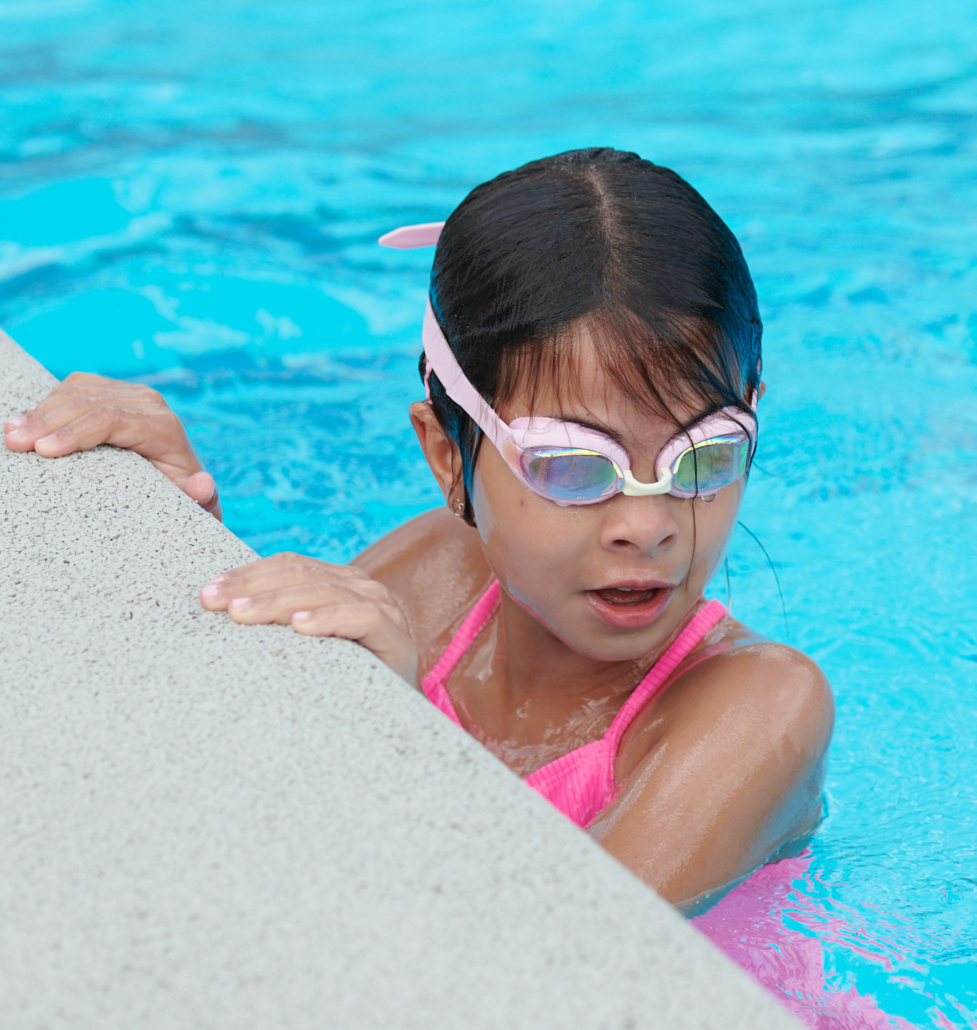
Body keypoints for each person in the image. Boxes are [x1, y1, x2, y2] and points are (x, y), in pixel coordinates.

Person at [3, 148, 833, 909]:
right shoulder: (439, 572)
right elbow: (215, 768)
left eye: (704, 456)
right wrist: (182, 529)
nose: (647, 526)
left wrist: (391, 730)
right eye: (570, 465)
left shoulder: (759, 705)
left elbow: (560, 954)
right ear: (446, 456)